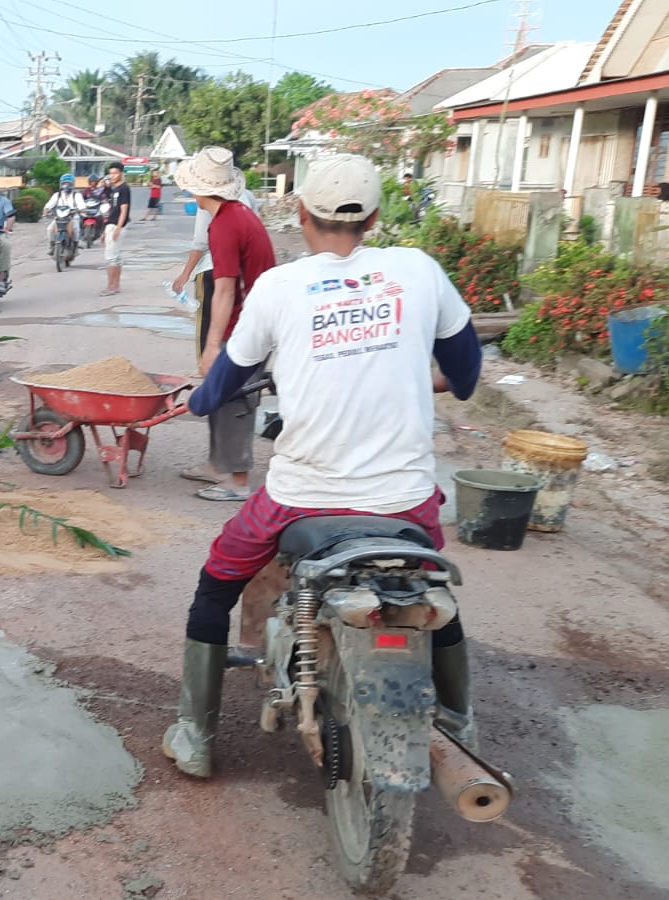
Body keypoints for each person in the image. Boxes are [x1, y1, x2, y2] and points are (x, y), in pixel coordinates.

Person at [160, 153, 482, 778]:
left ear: (301, 213)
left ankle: (196, 736)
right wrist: (416, 377)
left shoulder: (282, 286)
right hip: (405, 501)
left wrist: (198, 399)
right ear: (376, 217)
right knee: (433, 594)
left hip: (302, 496)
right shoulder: (418, 270)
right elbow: (465, 376)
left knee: (213, 588)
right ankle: (461, 720)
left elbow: (225, 379)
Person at [172, 147, 275, 502]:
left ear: (202, 189)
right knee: (219, 390)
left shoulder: (227, 224)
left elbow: (226, 288)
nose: (189, 192)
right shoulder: (234, 215)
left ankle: (238, 481)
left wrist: (214, 345)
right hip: (248, 317)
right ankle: (218, 465)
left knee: (235, 398)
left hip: (249, 324)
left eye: (191, 187)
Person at [100, 162, 132, 296]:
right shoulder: (114, 190)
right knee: (116, 258)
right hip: (111, 225)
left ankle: (110, 287)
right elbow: (111, 210)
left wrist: (118, 227)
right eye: (111, 173)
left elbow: (124, 210)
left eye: (115, 173)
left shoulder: (124, 189)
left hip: (116, 226)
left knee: (111, 258)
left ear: (121, 173)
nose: (112, 176)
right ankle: (116, 286)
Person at [41, 173, 87, 261]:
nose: (66, 186)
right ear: (61, 184)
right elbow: (49, 204)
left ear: (72, 184)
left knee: (76, 229)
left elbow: (81, 205)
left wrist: (82, 209)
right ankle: (52, 246)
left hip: (72, 217)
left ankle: (75, 246)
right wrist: (46, 210)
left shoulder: (76, 195)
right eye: (64, 183)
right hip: (59, 217)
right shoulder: (57, 195)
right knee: (50, 229)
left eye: (69, 183)